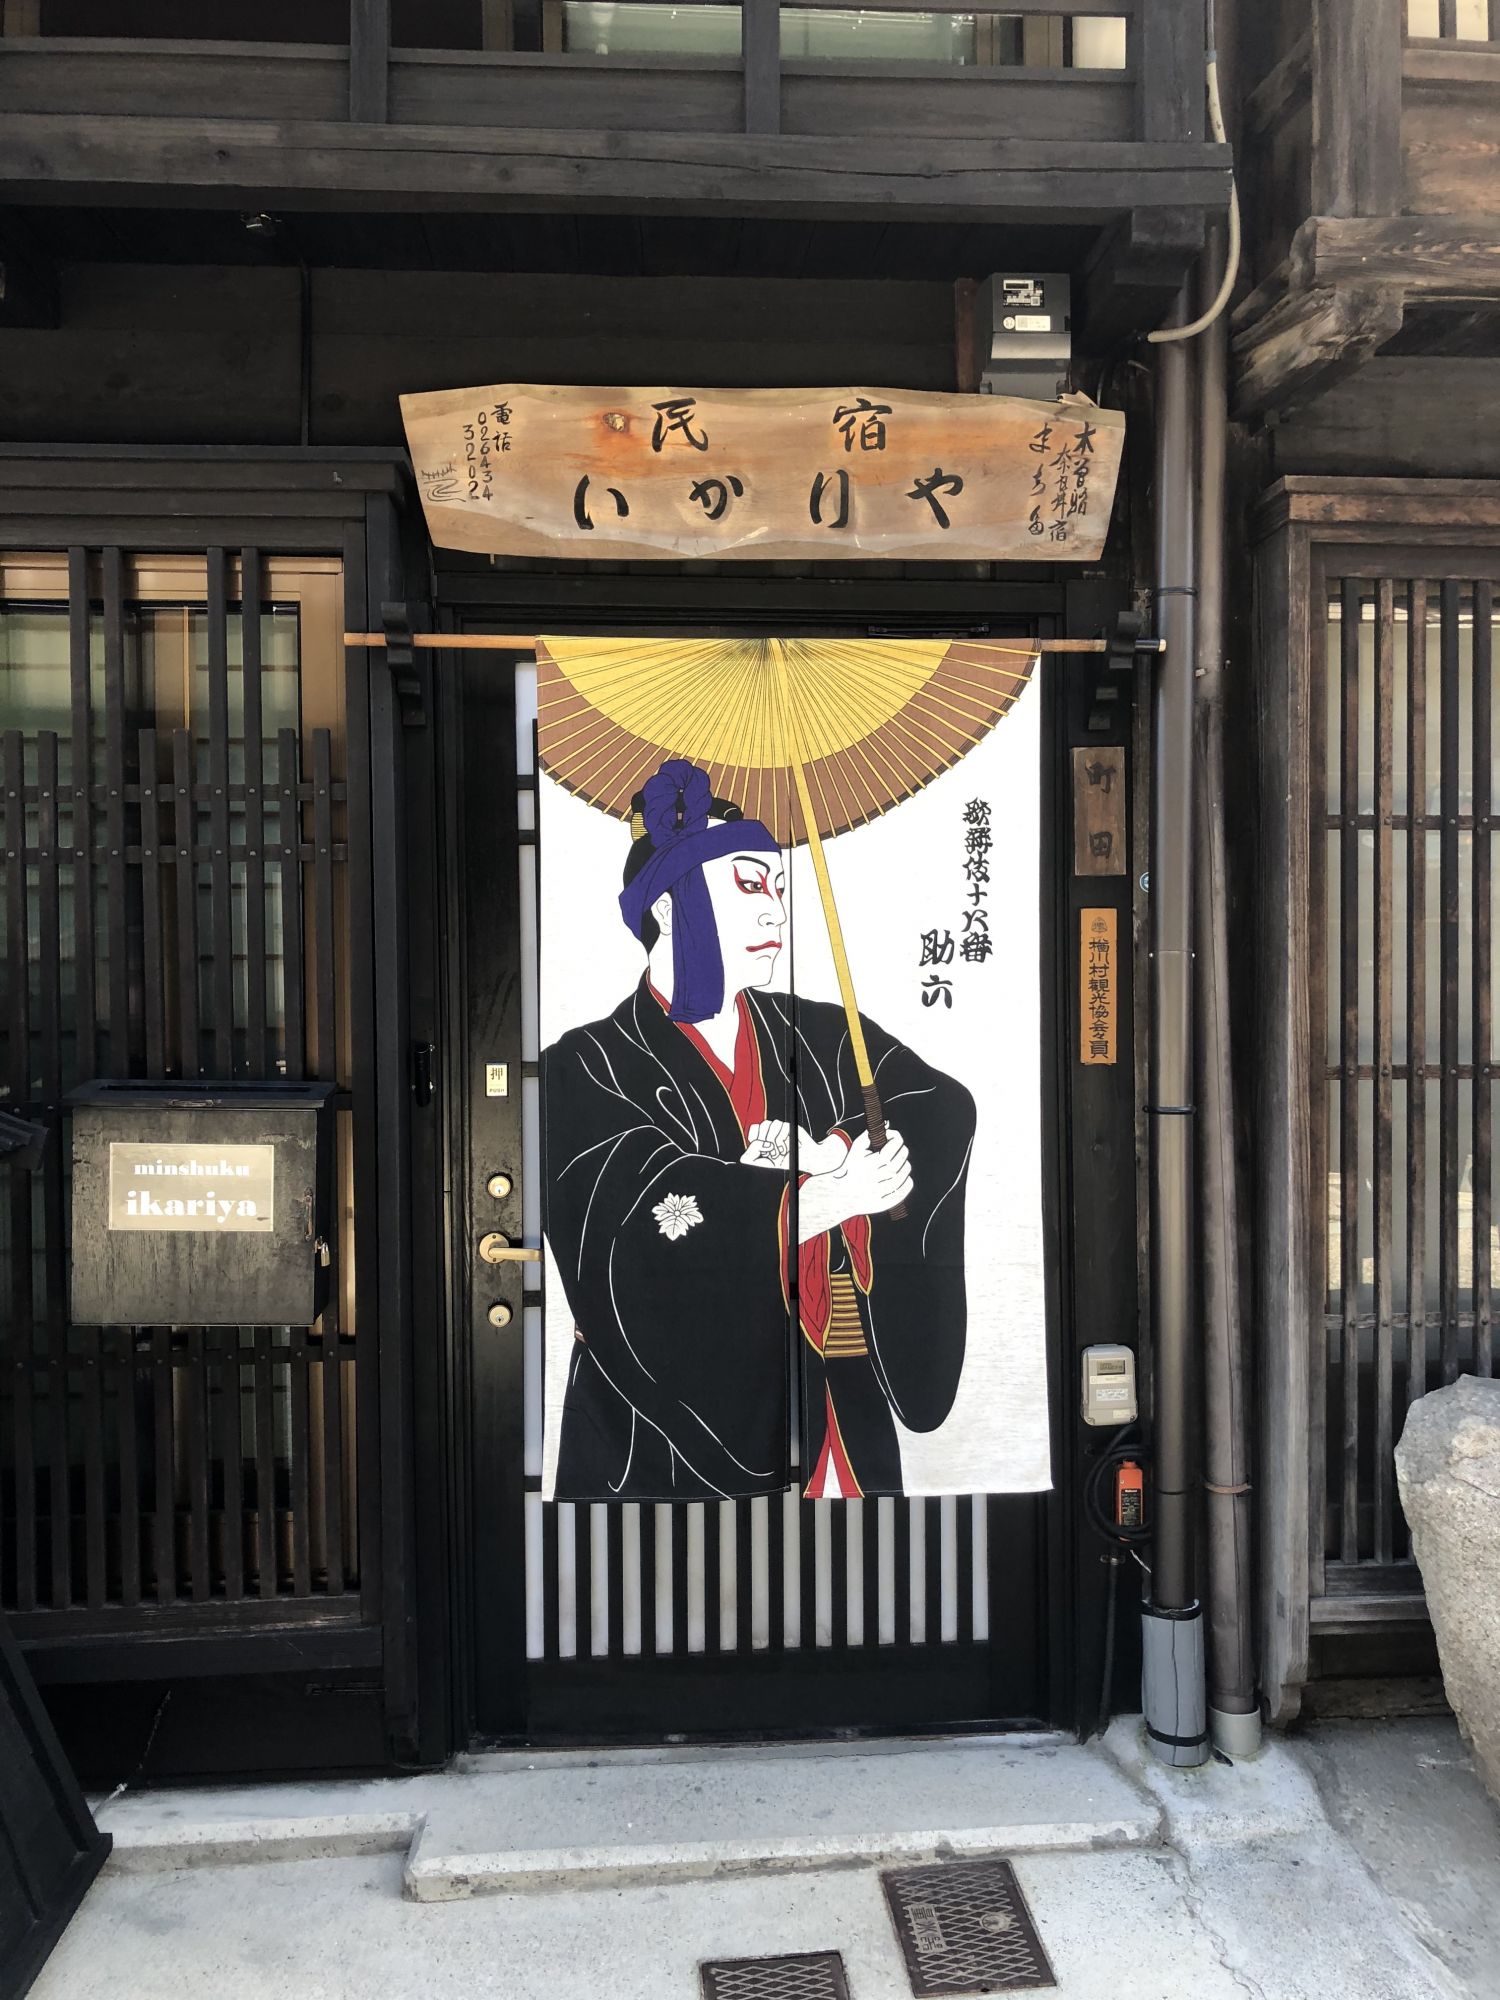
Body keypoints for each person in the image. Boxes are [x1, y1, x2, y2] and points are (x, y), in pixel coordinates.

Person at [543, 757, 974, 1501]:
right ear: (669, 905)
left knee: (858, 1568)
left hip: (836, 1401)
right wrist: (826, 1197)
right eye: (750, 886)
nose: (777, 912)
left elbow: (940, 1103)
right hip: (658, 1438)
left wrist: (836, 1149)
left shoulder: (817, 1032)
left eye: (777, 887)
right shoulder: (585, 1065)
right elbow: (632, 1218)